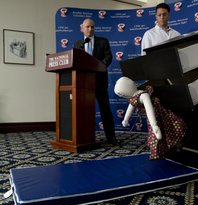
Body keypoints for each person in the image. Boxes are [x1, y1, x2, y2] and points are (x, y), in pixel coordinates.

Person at [114, 77, 186, 160]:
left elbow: (149, 110)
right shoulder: (135, 97)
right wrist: (125, 119)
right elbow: (130, 108)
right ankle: (170, 147)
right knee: (165, 129)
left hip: (158, 114)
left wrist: (154, 125)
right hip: (154, 116)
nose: (123, 96)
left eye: (122, 94)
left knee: (166, 127)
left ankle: (161, 150)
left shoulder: (143, 95)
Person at [74, 18, 119, 146]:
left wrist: (96, 66)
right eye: (87, 27)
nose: (90, 29)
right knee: (83, 111)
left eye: (92, 27)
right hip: (82, 84)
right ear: (81, 28)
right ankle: (84, 138)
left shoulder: (103, 41)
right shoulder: (77, 44)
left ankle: (111, 138)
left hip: (100, 82)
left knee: (105, 110)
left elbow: (108, 57)